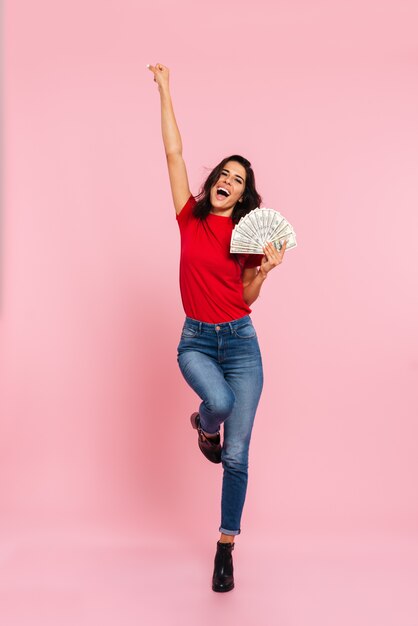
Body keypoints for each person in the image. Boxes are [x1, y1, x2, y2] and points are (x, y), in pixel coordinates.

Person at [147, 62, 287, 593]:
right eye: (224, 174)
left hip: (242, 344)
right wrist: (165, 90)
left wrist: (266, 272)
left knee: (239, 453)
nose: (228, 182)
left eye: (239, 180)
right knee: (221, 407)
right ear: (212, 184)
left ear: (246, 194)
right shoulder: (191, 216)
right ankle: (205, 426)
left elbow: (246, 296)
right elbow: (174, 153)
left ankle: (225, 547)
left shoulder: (248, 236)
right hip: (198, 341)